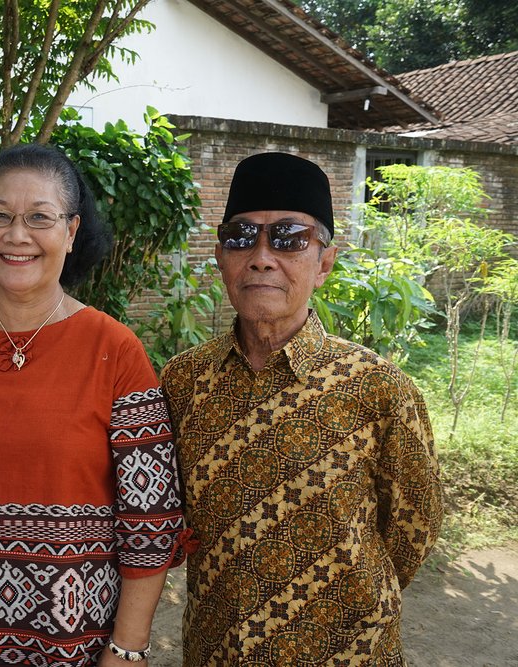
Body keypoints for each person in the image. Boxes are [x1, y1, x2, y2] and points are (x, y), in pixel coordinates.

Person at [160, 152, 443, 666]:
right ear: (221, 257)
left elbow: (414, 527)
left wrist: (341, 596)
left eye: (289, 238)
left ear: (324, 263)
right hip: (217, 650)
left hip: (348, 653)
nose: (262, 258)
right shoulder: (183, 381)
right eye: (241, 237)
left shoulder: (377, 387)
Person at [0, 143, 186, 666]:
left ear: (72, 230)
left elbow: (149, 520)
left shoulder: (115, 350)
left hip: (75, 646)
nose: (17, 236)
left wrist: (127, 649)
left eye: (40, 217)